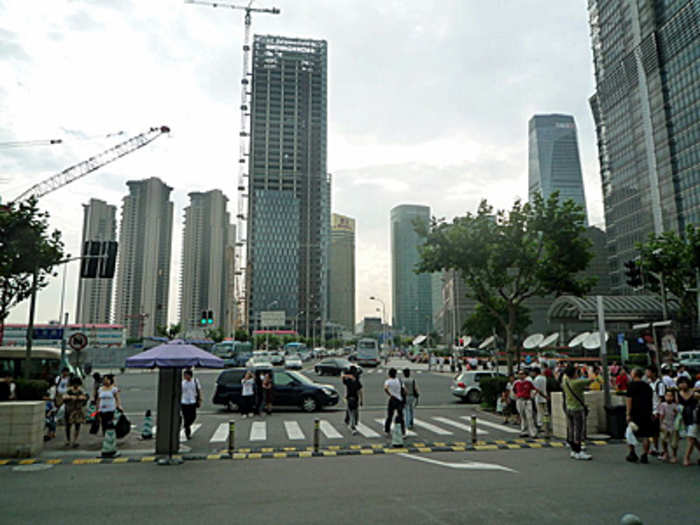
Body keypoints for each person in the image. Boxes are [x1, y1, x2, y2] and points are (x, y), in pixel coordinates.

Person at [562, 366, 593, 460]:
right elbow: (591, 379)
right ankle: (578, 451)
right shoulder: (577, 382)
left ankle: (573, 450)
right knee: (578, 431)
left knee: (571, 429)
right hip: (577, 409)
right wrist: (588, 370)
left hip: (568, 408)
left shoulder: (565, 381)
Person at [625, 368, 654, 463]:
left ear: (634, 375)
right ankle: (644, 454)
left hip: (635, 413)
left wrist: (628, 414)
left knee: (630, 432)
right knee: (646, 434)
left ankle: (632, 453)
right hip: (646, 412)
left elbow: (629, 400)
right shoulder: (648, 386)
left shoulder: (631, 386)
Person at [513, 369, 543, 438]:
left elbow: (535, 389)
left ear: (525, 375)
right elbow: (514, 390)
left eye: (522, 374)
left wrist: (532, 396)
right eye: (519, 374)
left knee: (529, 416)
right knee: (522, 416)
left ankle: (533, 432)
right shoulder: (516, 383)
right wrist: (517, 396)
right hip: (520, 400)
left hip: (527, 400)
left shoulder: (528, 382)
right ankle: (523, 431)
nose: (520, 375)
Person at [676, 376, 699, 467]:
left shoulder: (695, 393)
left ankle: (687, 457)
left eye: (684, 382)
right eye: (680, 382)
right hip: (684, 417)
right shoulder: (678, 393)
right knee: (692, 438)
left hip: (695, 417)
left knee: (690, 437)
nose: (682, 384)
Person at [62, 376, 87, 448]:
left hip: (78, 410)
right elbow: (64, 397)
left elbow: (85, 398)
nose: (76, 385)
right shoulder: (69, 390)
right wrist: (70, 397)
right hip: (69, 409)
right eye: (74, 383)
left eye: (77, 384)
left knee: (77, 425)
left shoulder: (81, 390)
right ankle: (68, 440)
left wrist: (81, 398)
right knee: (68, 426)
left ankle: (75, 440)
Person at [646, 365, 665, 456]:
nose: (647, 373)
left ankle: (659, 449)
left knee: (656, 431)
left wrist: (658, 411)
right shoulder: (649, 384)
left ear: (653, 373)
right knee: (652, 431)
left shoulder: (660, 384)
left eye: (648, 372)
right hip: (650, 410)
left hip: (657, 411)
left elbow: (661, 399)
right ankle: (655, 448)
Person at [658, 390, 679, 463]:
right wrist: (660, 424)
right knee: (663, 439)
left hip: (673, 425)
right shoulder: (663, 405)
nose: (669, 397)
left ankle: (674, 455)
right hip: (665, 424)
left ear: (673, 397)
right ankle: (666, 452)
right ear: (665, 396)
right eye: (667, 396)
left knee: (674, 442)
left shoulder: (675, 405)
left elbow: (677, 415)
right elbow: (661, 415)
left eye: (671, 396)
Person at [383, 368, 405, 436]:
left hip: (392, 399)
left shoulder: (388, 381)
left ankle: (387, 430)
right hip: (399, 399)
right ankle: (403, 431)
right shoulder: (399, 380)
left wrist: (390, 394)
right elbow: (404, 390)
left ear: (389, 374)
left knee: (390, 415)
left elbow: (385, 388)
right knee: (400, 416)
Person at [180, 369, 201, 439]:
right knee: (186, 417)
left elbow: (199, 390)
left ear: (190, 375)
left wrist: (200, 399)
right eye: (184, 375)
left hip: (192, 401)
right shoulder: (182, 383)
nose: (184, 376)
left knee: (193, 416)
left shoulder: (195, 381)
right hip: (184, 402)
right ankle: (187, 432)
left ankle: (187, 425)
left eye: (186, 375)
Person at [342, 366, 363, 434]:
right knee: (354, 412)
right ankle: (353, 425)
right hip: (355, 398)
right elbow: (360, 391)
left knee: (351, 412)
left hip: (349, 398)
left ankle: (350, 423)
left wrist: (347, 375)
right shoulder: (357, 381)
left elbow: (343, 377)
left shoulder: (348, 380)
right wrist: (361, 400)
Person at [532, 367, 548, 431]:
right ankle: (546, 425)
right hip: (545, 397)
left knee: (539, 412)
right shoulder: (544, 378)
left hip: (539, 398)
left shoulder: (536, 379)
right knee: (545, 413)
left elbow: (537, 389)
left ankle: (540, 425)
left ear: (535, 372)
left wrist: (533, 396)